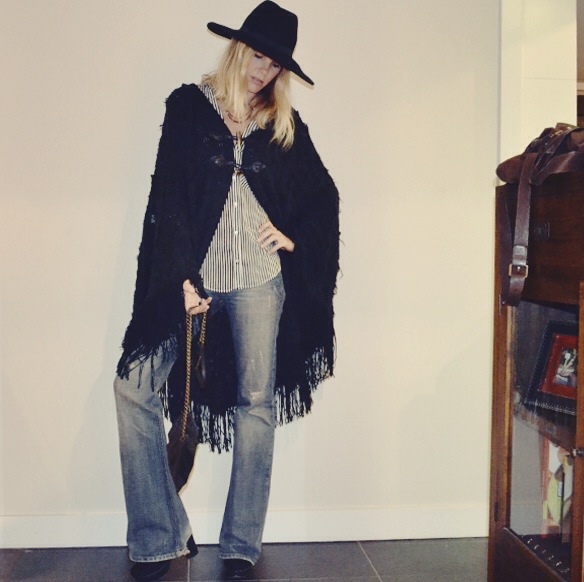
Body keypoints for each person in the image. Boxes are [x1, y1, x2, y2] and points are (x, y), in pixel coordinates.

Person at [113, 2, 340, 581]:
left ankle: (241, 544)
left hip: (260, 281)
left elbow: (323, 197)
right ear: (238, 50)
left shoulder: (284, 124)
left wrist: (291, 237)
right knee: (132, 389)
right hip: (195, 278)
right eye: (258, 56)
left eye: (275, 64)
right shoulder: (189, 107)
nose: (264, 72)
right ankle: (159, 535)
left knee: (255, 406)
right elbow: (168, 198)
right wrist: (179, 279)